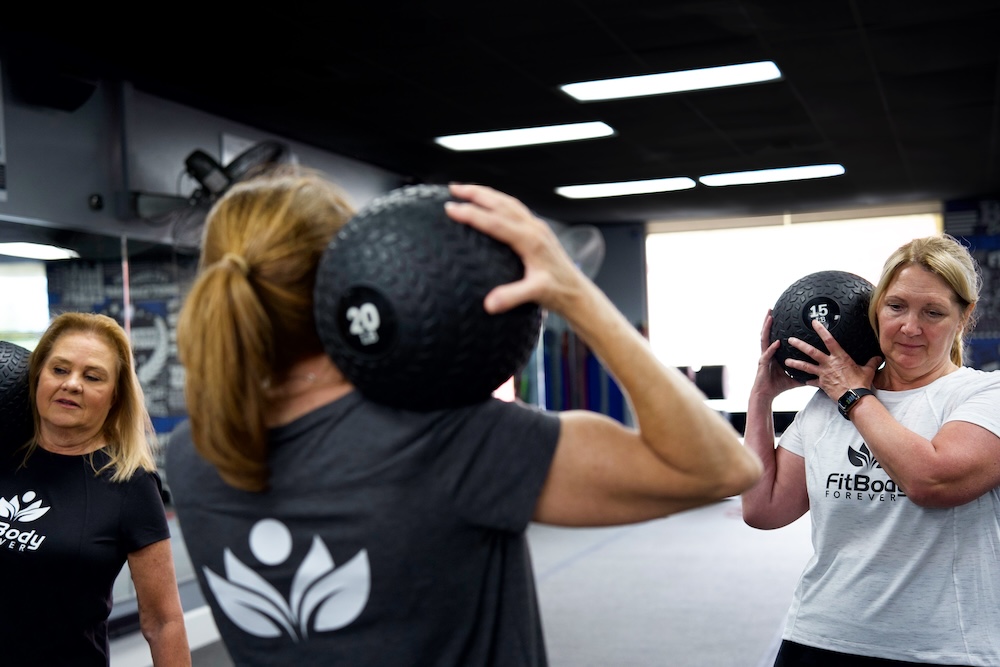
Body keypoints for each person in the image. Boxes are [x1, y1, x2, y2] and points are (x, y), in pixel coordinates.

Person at [165, 169, 762, 667]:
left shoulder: (195, 451)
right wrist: (573, 292)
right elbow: (720, 468)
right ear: (353, 278)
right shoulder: (443, 437)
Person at [742, 234, 1000, 666]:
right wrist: (761, 397)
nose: (909, 327)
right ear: (874, 307)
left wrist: (853, 395)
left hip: (943, 650)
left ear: (964, 316)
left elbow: (931, 480)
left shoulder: (983, 395)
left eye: (933, 312)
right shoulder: (827, 402)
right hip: (818, 638)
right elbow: (763, 509)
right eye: (896, 306)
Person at [0, 312, 191, 666]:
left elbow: (163, 622)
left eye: (92, 376)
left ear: (115, 395)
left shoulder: (129, 484)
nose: (72, 384)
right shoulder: (5, 454)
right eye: (59, 370)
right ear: (38, 374)